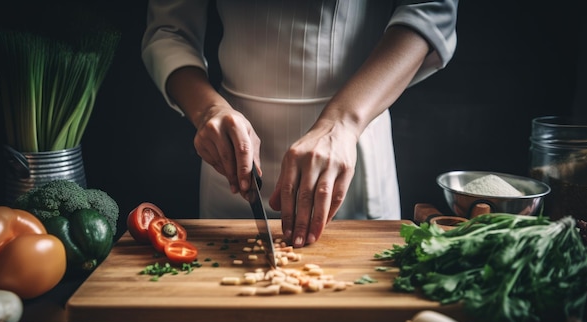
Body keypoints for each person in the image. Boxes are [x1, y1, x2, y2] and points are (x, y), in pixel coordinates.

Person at [142, 0, 458, 247]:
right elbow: (168, 31)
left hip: (355, 144)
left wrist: (343, 123)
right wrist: (207, 110)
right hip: (232, 153)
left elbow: (428, 12)